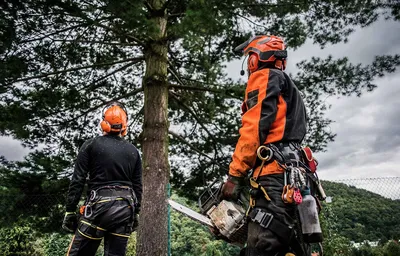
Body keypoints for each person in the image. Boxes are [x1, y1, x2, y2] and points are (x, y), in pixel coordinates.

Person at [220, 35, 310, 256]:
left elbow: (253, 130)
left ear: (255, 58)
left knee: (262, 247)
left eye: (250, 58)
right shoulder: (291, 89)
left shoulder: (264, 77)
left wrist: (234, 176)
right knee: (289, 245)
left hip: (273, 177)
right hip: (295, 177)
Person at [62, 101, 143, 256]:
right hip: (125, 211)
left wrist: (70, 210)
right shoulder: (133, 151)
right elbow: (137, 186)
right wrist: (136, 213)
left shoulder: (91, 145)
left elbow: (78, 179)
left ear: (103, 123)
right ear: (124, 126)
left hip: (97, 209)